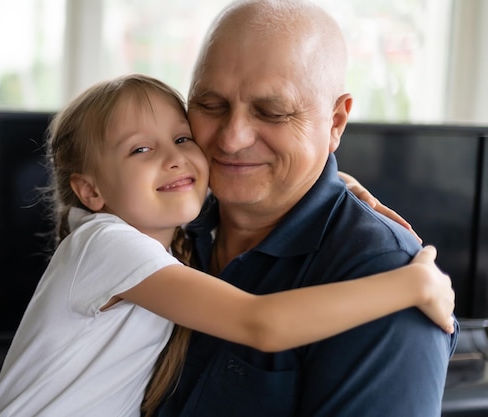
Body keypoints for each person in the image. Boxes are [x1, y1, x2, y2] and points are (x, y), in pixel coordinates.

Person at [0, 74, 454, 417]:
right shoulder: (107, 245)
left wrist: (339, 184)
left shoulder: (169, 232)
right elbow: (260, 323)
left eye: (182, 138)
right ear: (91, 192)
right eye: (140, 149)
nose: (174, 159)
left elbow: (256, 180)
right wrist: (414, 284)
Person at [155, 1, 459, 417]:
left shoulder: (387, 282)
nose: (231, 139)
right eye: (211, 105)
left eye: (273, 112)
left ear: (335, 122)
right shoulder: (161, 222)